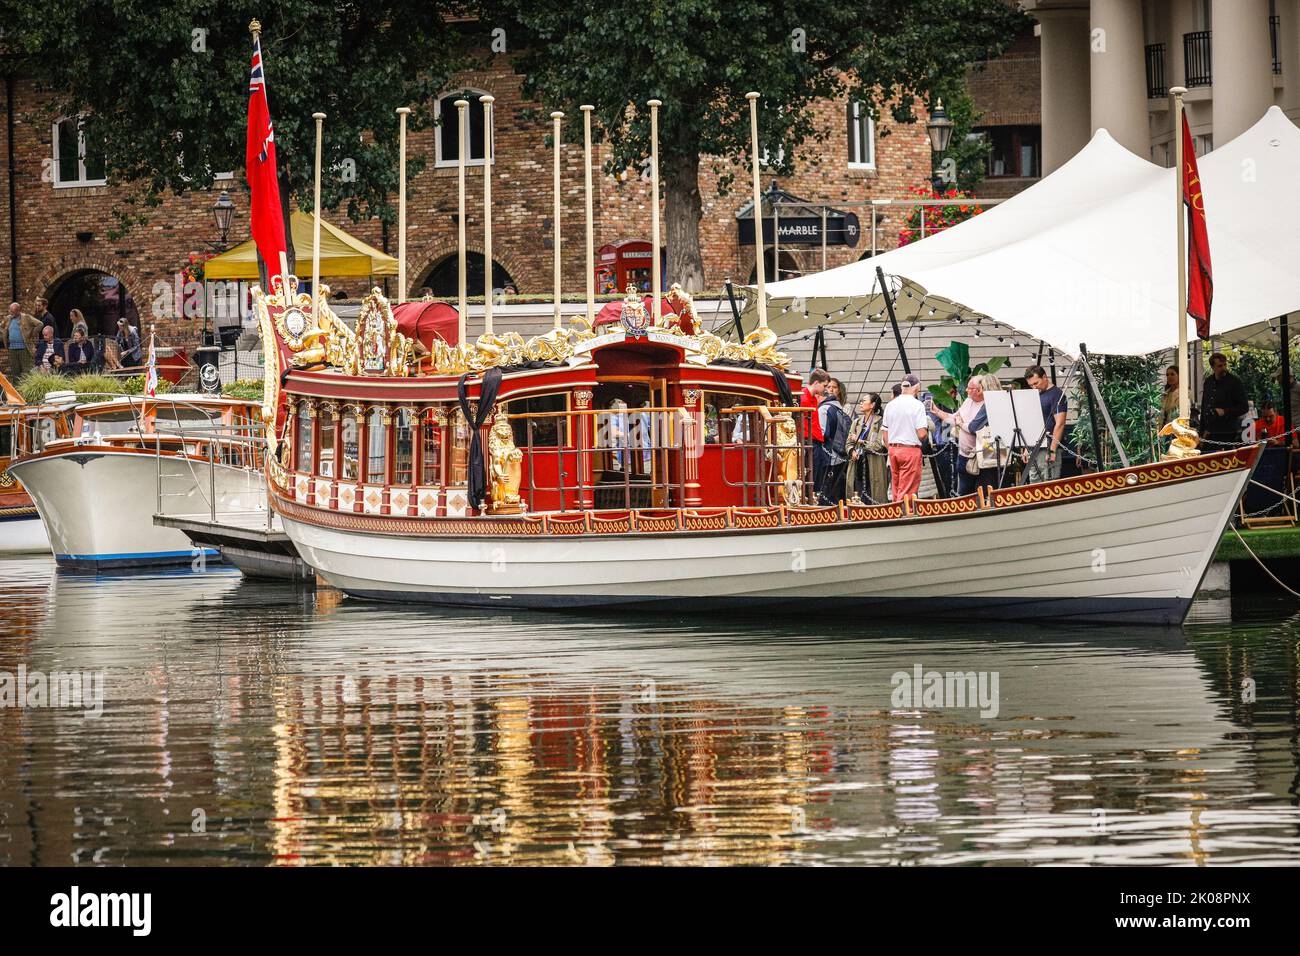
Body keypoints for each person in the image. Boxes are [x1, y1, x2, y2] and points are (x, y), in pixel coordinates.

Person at [931, 373, 1002, 496]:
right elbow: (953, 419)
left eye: (970, 388)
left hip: (984, 455)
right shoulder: (968, 401)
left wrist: (960, 423)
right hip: (964, 455)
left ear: (979, 390)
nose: (966, 390)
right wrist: (937, 412)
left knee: (984, 492)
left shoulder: (988, 405)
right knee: (964, 493)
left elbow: (973, 427)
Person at [882, 373, 929, 501]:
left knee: (896, 488)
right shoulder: (917, 405)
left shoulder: (890, 405)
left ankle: (895, 514)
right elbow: (922, 434)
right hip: (910, 450)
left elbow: (885, 434)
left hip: (893, 449)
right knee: (907, 490)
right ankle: (904, 517)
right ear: (917, 388)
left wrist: (891, 448)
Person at [1023, 364, 1067, 483]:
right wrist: (1027, 447)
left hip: (1048, 445)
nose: (1034, 387)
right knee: (1034, 484)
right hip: (1034, 446)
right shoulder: (1036, 394)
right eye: (1031, 385)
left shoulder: (1056, 394)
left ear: (1045, 377)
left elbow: (1060, 423)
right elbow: (1032, 420)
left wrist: (1053, 449)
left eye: (1036, 383)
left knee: (1049, 483)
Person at [845, 393, 888, 504]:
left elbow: (878, 445)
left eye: (864, 401)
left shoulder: (880, 422)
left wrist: (859, 441)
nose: (861, 403)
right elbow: (848, 443)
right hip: (857, 463)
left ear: (872, 405)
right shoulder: (857, 422)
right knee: (857, 491)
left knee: (874, 492)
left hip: (873, 464)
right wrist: (852, 451)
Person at [1200, 352, 1247, 448]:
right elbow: (1204, 405)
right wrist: (1202, 431)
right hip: (1210, 432)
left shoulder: (1234, 382)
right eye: (1220, 366)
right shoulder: (1208, 382)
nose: (1224, 368)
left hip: (1228, 431)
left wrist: (1225, 411)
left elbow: (1244, 407)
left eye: (1225, 365)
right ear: (1213, 367)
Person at [817, 379, 851, 504]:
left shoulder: (824, 409)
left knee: (826, 489)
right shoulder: (839, 409)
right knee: (834, 490)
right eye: (828, 387)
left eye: (833, 387)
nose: (830, 389)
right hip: (839, 454)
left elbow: (823, 433)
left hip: (828, 454)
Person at [801, 368, 829, 493]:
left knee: (816, 474)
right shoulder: (804, 398)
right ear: (816, 383)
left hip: (814, 441)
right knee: (811, 473)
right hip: (808, 441)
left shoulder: (812, 398)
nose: (825, 389)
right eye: (824, 386)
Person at [4, 301, 41, 380]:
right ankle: (16, 390)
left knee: (26, 372)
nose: (11, 313)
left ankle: (25, 390)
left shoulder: (26, 317)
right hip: (12, 349)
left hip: (24, 348)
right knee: (15, 372)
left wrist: (32, 334)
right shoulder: (8, 319)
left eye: (13, 312)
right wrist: (5, 337)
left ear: (18, 311)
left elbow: (40, 324)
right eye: (10, 311)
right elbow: (1, 327)